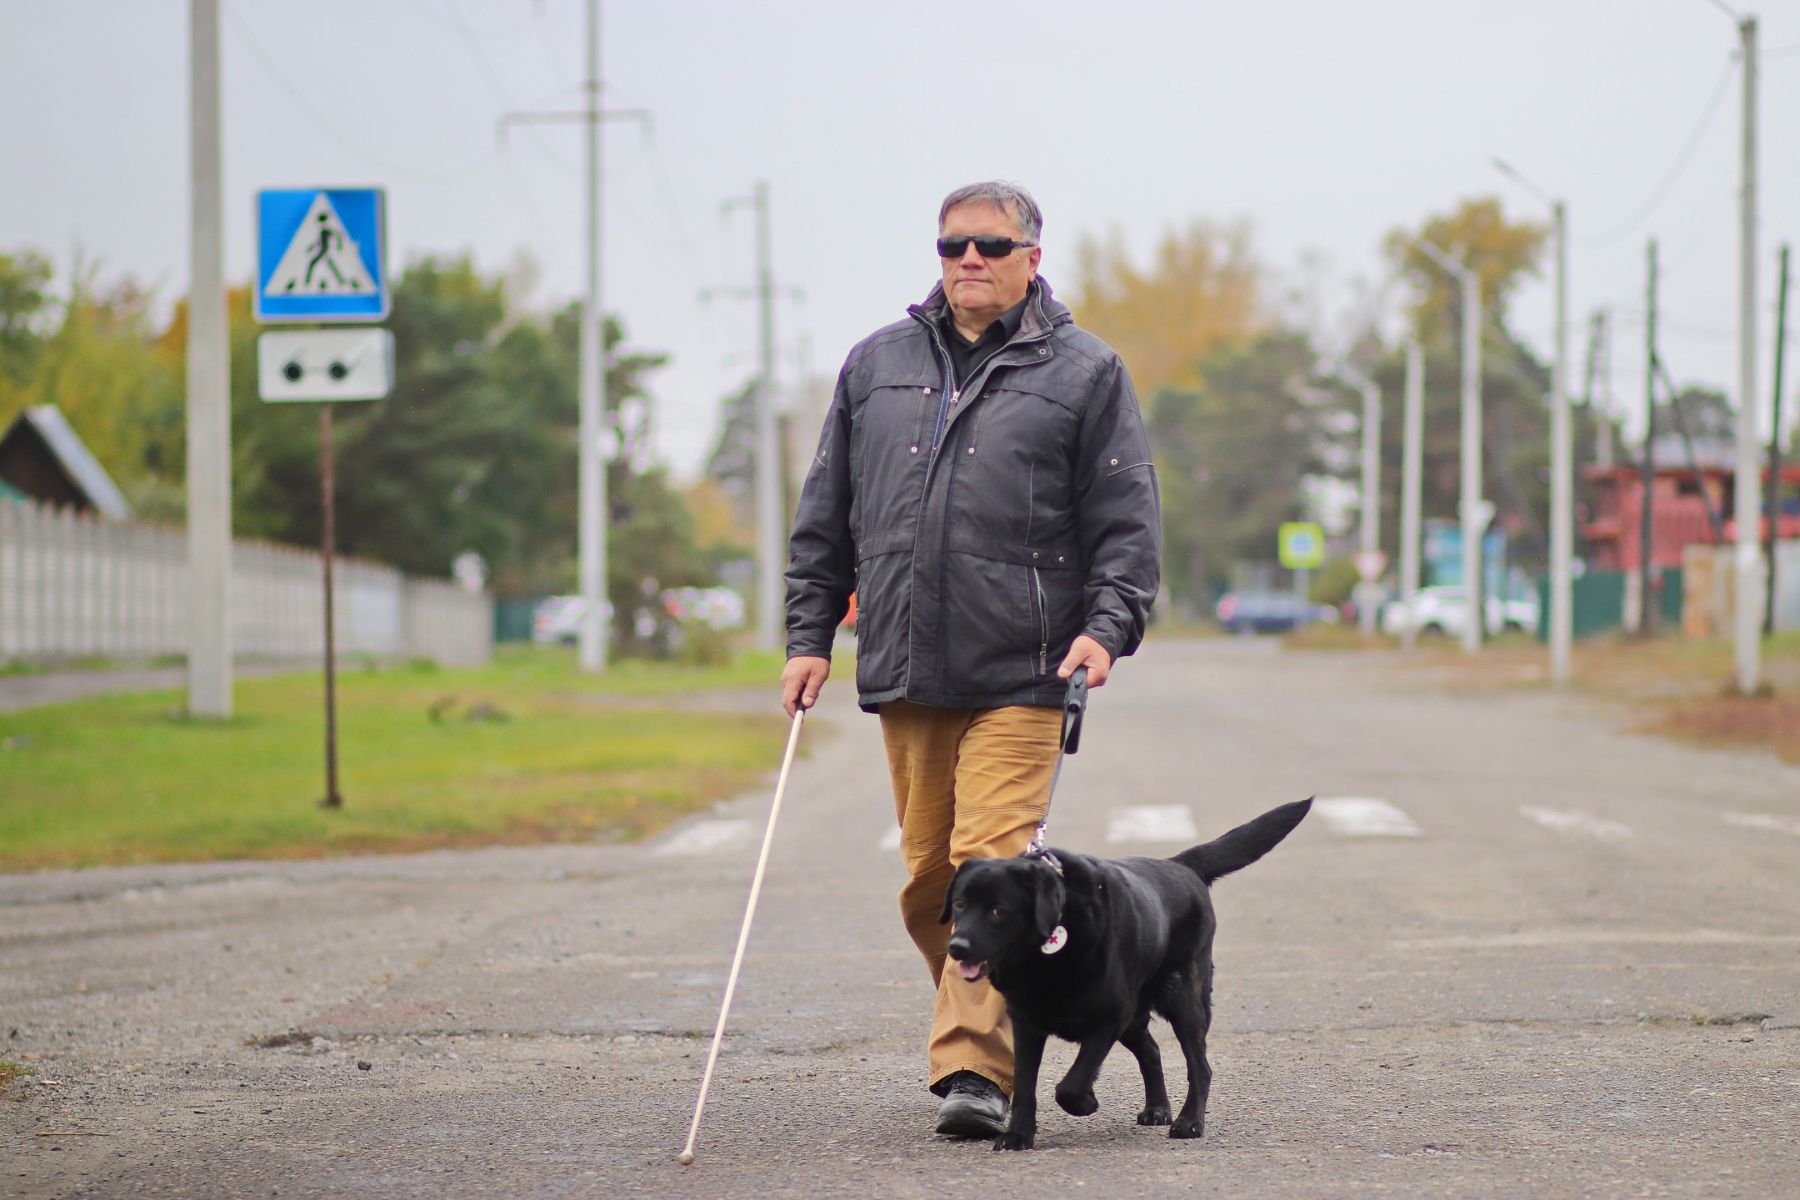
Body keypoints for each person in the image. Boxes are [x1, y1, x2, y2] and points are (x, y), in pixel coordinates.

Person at [781, 180, 1161, 1138]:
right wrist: (807, 636)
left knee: (985, 862)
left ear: (1034, 256)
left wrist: (1106, 625)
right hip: (907, 663)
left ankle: (977, 1074)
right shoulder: (876, 366)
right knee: (934, 888)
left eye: (991, 246)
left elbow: (1126, 520)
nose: (969, 262)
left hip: (1028, 667)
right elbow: (826, 517)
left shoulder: (1085, 371)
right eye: (953, 246)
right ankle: (1028, 996)